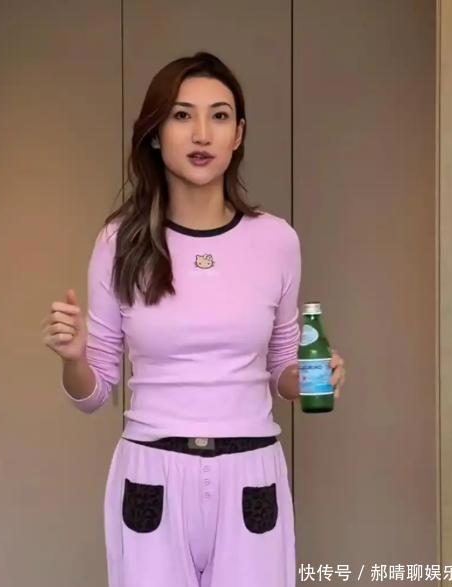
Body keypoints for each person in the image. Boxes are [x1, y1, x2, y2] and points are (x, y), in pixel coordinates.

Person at [41, 51, 346, 587]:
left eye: (219, 116)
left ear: (238, 134)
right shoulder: (119, 242)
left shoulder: (277, 240)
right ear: (156, 134)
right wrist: (74, 359)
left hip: (251, 473)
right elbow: (94, 393)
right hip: (151, 474)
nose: (202, 133)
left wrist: (309, 376)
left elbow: (281, 368)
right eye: (182, 115)